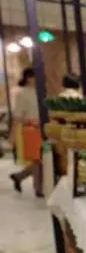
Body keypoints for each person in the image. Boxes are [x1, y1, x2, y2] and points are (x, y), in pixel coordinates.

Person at [9, 68, 43, 197]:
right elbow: (17, 116)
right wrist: (12, 136)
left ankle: (19, 177)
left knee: (40, 159)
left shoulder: (40, 91)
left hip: (41, 128)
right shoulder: (22, 93)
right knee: (37, 159)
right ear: (28, 78)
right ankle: (38, 189)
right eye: (34, 76)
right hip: (30, 129)